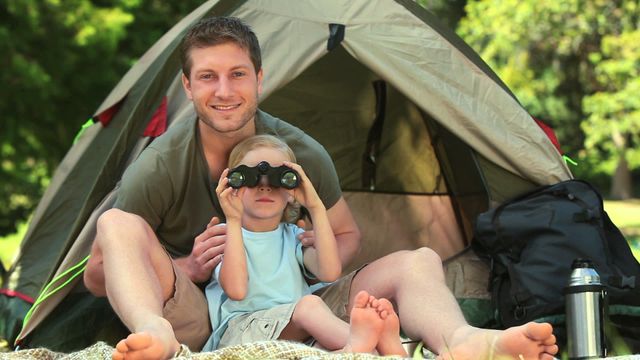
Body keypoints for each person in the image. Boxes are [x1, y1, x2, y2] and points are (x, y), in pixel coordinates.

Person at [83, 16, 559, 360]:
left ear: (260, 79)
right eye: (208, 77)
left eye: (237, 75)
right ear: (187, 87)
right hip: (203, 311)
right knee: (114, 221)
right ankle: (155, 333)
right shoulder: (162, 165)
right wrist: (185, 266)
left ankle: (465, 340)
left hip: (303, 300)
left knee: (421, 260)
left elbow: (347, 235)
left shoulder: (298, 153)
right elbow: (97, 275)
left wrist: (310, 243)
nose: (224, 91)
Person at [203, 134, 406, 356]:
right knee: (311, 305)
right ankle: (373, 345)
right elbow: (237, 290)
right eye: (250, 177)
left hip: (294, 335)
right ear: (234, 184)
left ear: (291, 192)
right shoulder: (224, 236)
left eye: (278, 178)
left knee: (323, 347)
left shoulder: (294, 237)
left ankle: (382, 351)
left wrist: (316, 206)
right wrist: (232, 219)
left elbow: (329, 272)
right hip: (244, 334)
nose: (264, 186)